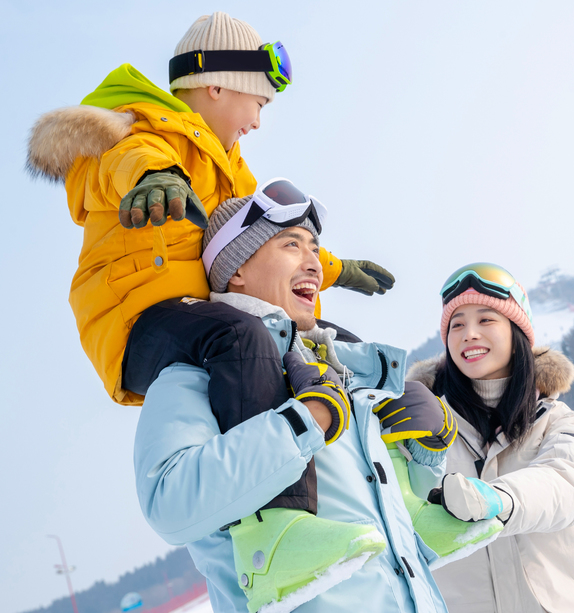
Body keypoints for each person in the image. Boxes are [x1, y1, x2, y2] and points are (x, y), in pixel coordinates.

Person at [25, 11, 393, 407]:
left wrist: (333, 268)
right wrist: (157, 178)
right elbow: (124, 159)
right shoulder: (140, 133)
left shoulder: (233, 172)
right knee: (241, 338)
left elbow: (266, 237)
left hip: (206, 314)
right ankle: (262, 464)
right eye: (258, 104)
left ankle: (395, 439)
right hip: (138, 319)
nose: (256, 123)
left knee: (336, 346)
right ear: (217, 86)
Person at [132, 190, 451, 613]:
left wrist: (426, 458)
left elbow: (392, 537)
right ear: (237, 268)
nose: (315, 264)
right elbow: (170, 503)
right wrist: (304, 421)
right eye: (291, 245)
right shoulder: (196, 374)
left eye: (315, 249)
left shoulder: (344, 372)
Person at [408, 263, 574, 612]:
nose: (469, 333)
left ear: (517, 334)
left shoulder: (556, 421)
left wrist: (497, 500)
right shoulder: (420, 431)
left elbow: (567, 484)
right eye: (457, 324)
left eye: (486, 320)